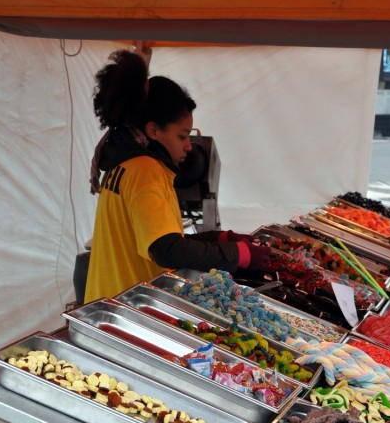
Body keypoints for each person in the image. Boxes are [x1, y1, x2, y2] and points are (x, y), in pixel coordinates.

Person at [84, 50, 270, 303]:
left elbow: (156, 237)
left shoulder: (123, 162)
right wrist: (236, 255)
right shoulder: (145, 170)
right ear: (153, 130)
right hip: (129, 305)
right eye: (182, 136)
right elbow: (165, 249)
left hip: (109, 299)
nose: (189, 146)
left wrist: (220, 238)